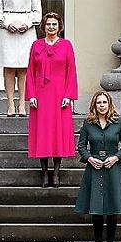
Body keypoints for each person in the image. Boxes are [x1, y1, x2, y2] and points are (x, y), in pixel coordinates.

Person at [75, 91, 121, 242]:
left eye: (104, 102)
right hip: (94, 168)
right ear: (94, 105)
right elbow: (81, 146)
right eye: (99, 102)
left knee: (113, 210)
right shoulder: (88, 123)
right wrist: (89, 158)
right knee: (97, 211)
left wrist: (116, 157)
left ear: (109, 104)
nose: (102, 105)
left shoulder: (119, 122)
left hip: (113, 168)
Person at [24, 12, 78, 188]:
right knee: (42, 133)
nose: (51, 27)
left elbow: (71, 71)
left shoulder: (66, 45)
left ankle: (56, 172)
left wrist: (68, 96)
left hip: (59, 93)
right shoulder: (36, 45)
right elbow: (30, 71)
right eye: (48, 24)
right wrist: (31, 95)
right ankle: (44, 173)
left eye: (54, 24)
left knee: (58, 133)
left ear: (59, 26)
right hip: (41, 94)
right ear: (43, 27)